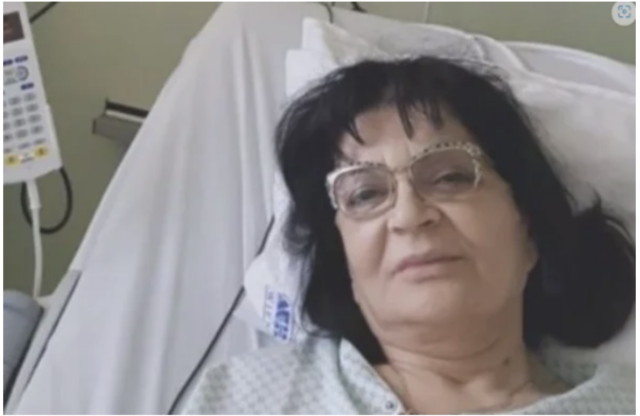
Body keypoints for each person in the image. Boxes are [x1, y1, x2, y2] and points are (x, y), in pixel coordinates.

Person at [183, 56, 635, 414]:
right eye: (365, 194)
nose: (409, 215)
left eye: (450, 177)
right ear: (343, 258)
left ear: (530, 229)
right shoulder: (246, 398)